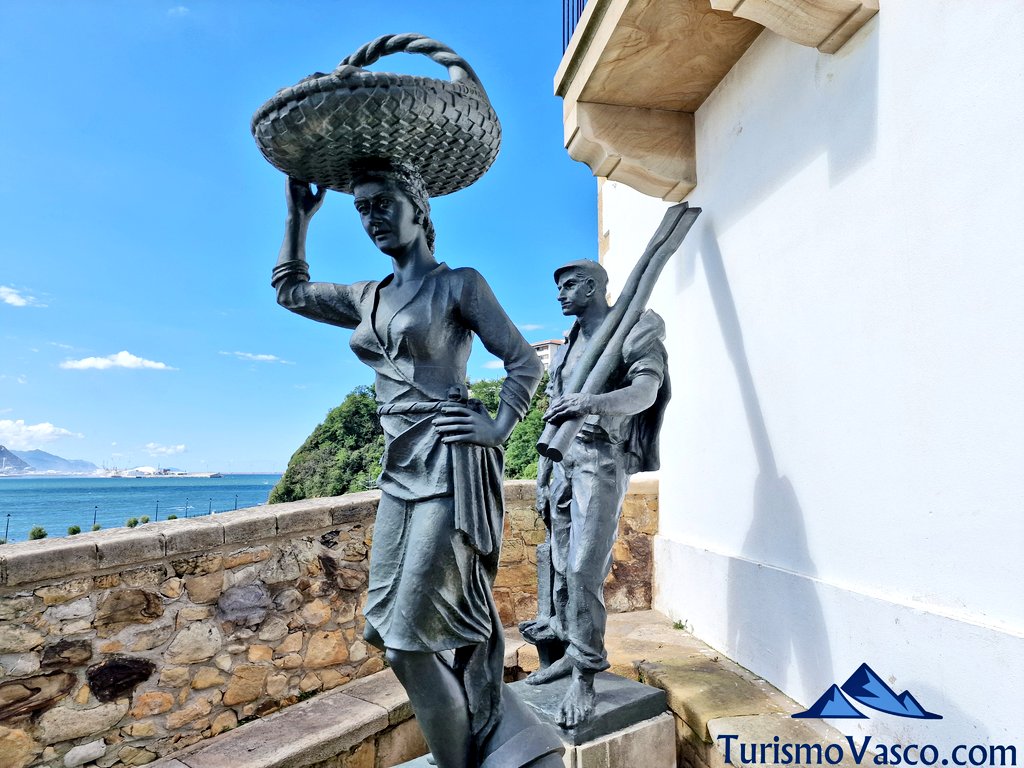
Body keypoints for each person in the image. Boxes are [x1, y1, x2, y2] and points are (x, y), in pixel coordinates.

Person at [272, 160, 551, 768]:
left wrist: (498, 427)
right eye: (361, 208)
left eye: (382, 204)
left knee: (407, 644)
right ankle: (469, 744)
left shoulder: (460, 285)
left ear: (418, 210)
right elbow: (291, 290)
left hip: (450, 471)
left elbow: (524, 361)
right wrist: (299, 217)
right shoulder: (365, 296)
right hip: (399, 478)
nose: (371, 218)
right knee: (393, 636)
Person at [520, 259, 670, 728]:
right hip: (562, 464)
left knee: (586, 566)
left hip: (602, 460)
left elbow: (646, 390)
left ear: (592, 286)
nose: (560, 294)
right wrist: (544, 477)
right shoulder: (566, 347)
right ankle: (567, 650)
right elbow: (552, 413)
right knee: (562, 564)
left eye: (567, 286)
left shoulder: (632, 327)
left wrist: (593, 402)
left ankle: (586, 672)